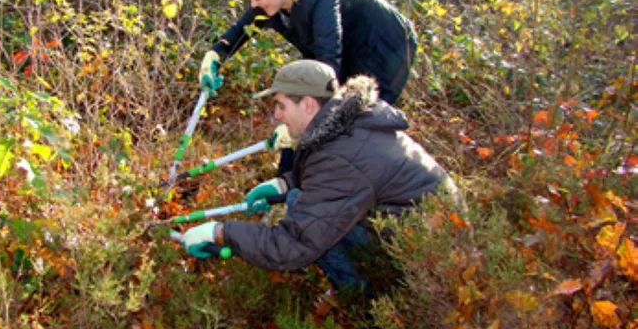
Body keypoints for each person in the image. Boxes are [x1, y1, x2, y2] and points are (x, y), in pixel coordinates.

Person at [182, 60, 455, 293]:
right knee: (296, 197)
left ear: (309, 105)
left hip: (426, 262)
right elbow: (334, 178)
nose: (277, 115)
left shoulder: (343, 157)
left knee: (311, 227)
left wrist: (220, 233)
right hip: (421, 234)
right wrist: (283, 184)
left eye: (281, 106)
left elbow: (293, 245)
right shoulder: (347, 122)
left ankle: (367, 303)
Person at [198, 0, 418, 105]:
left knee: (360, 121)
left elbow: (328, 65)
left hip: (387, 46)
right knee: (314, 118)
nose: (253, 5)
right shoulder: (272, 1)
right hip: (348, 49)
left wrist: (308, 119)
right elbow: (239, 32)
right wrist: (213, 58)